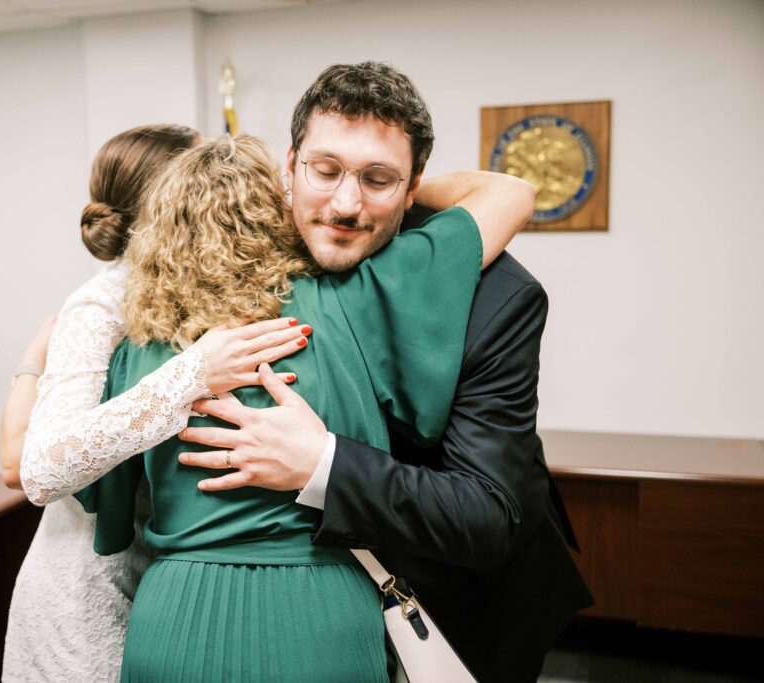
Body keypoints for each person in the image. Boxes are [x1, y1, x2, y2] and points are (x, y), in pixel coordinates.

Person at [178, 62, 593, 682]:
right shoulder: (256, 251)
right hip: (309, 596)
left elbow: (487, 514)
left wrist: (321, 463)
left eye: (379, 179)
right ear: (289, 166)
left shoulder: (496, 295)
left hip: (459, 602)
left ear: (414, 184)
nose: (346, 205)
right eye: (326, 170)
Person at [66, 130, 531, 681]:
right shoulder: (357, 299)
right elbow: (508, 195)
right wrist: (402, 191)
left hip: (174, 616)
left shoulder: (136, 352)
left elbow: (111, 516)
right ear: (279, 209)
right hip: (322, 611)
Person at [0, 124, 311, 682]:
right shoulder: (100, 303)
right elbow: (40, 470)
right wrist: (190, 375)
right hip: (83, 595)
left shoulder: (191, 284)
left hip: (157, 579)